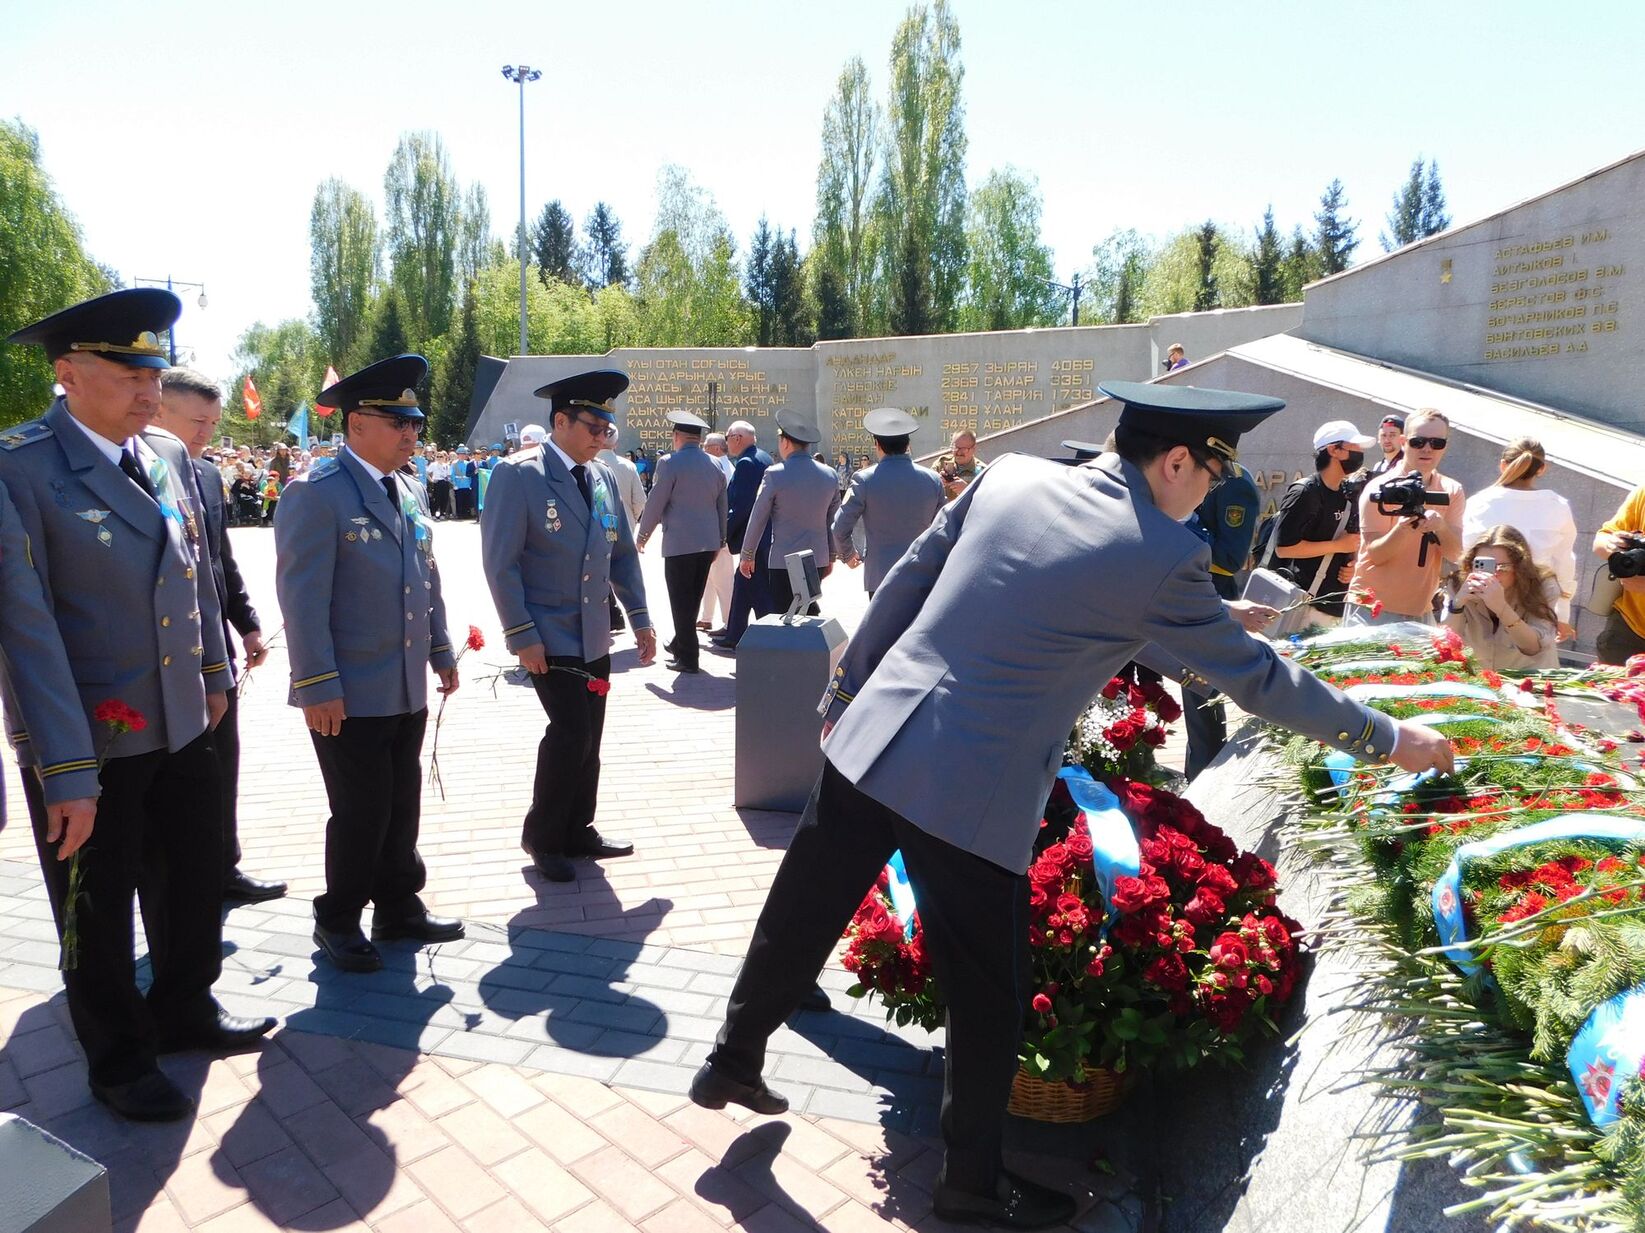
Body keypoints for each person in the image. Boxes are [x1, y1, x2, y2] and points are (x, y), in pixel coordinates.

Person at [691, 379, 1455, 1229]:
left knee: (804, 902)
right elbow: (1260, 679)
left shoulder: (1012, 475)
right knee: (987, 996)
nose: (1207, 490)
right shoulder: (1162, 551)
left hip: (877, 731)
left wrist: (848, 689)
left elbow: (917, 579)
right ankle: (969, 1187)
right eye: (1207, 472)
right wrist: (1390, 737)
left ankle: (730, 1056)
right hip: (969, 787)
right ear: (1173, 461)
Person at [0, 289, 274, 1121]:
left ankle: (186, 1004)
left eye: (155, 371)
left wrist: (215, 676)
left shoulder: (160, 454)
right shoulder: (22, 466)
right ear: (67, 373)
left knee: (191, 877)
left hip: (183, 718)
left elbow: (188, 580)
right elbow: (26, 629)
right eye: (129, 373)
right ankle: (117, 1056)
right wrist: (66, 769)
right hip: (90, 738)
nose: (150, 391)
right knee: (95, 900)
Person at [275, 354, 464, 974]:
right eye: (397, 423)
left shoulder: (405, 488)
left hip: (404, 681)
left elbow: (425, 577)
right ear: (356, 424)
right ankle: (337, 917)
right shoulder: (317, 494)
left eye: (414, 422)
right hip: (348, 690)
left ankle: (397, 905)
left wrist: (440, 649)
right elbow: (302, 600)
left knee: (400, 798)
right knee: (361, 810)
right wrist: (316, 684)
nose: (412, 433)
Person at [482, 370, 656, 883]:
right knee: (570, 731)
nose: (602, 437)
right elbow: (501, 564)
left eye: (607, 427)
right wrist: (521, 634)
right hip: (548, 634)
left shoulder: (602, 476)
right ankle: (544, 835)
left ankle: (579, 827)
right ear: (560, 421)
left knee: (591, 734)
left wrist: (641, 618)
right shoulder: (520, 476)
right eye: (593, 426)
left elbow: (621, 553)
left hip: (594, 633)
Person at [154, 368, 286, 904]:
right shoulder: (136, 469)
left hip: (212, 652)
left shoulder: (207, 476)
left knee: (220, 762)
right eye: (196, 421)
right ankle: (177, 878)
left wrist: (248, 624)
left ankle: (223, 867)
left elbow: (218, 560)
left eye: (213, 421)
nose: (206, 432)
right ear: (158, 412)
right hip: (160, 656)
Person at [1345, 408, 1465, 625]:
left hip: (1421, 610)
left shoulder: (1451, 490)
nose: (1427, 449)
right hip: (1371, 608)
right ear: (1403, 442)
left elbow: (1455, 552)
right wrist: (1404, 528)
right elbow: (1377, 555)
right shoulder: (1381, 488)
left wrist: (1440, 527)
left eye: (1437, 443)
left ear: (1444, 447)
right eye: (1418, 441)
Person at [1182, 456, 1261, 779]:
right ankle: (1196, 772)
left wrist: (1182, 526)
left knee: (1202, 696)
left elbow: (1229, 558)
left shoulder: (1234, 483)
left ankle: (1204, 777)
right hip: (1184, 588)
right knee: (1192, 695)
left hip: (1210, 590)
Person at [635, 410, 727, 674]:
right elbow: (722, 505)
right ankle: (679, 643)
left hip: (680, 544)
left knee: (680, 600)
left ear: (676, 436)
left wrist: (643, 536)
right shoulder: (716, 464)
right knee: (693, 597)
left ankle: (688, 657)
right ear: (697, 439)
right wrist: (720, 540)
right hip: (708, 543)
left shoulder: (669, 463)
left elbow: (656, 501)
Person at [1462, 437, 1577, 640]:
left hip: (1484, 596)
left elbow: (1467, 555)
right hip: (1536, 600)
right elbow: (1564, 562)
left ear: (1503, 465)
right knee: (1529, 666)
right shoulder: (1557, 505)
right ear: (1541, 469)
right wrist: (1563, 613)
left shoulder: (1479, 502)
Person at [1267, 421, 1375, 622]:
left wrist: (1351, 566)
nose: (1359, 453)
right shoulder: (1305, 492)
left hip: (1335, 607)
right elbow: (1285, 548)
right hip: (1301, 603)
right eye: (1354, 447)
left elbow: (1346, 544)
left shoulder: (1347, 493)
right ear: (1333, 450)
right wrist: (1338, 546)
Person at [831, 407, 944, 598]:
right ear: (907, 444)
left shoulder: (863, 479)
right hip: (922, 572)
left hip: (881, 575)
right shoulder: (933, 479)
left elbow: (839, 526)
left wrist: (848, 554)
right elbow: (943, 528)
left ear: (877, 444)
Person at [739, 410, 841, 616]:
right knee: (806, 609)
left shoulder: (775, 474)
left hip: (783, 560)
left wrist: (747, 554)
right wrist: (831, 555)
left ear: (785, 443)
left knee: (784, 615)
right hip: (817, 558)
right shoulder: (830, 474)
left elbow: (758, 517)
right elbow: (833, 521)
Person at [1442, 526, 1560, 670]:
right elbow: (1447, 642)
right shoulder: (1459, 584)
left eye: (1502, 567)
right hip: (1482, 679)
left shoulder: (1543, 585)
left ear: (1519, 567)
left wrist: (1502, 608)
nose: (1493, 574)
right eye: (1482, 566)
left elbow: (1533, 647)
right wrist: (1457, 605)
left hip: (1529, 678)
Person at [713, 421, 774, 650]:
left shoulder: (747, 463)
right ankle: (735, 631)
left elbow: (742, 506)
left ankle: (768, 636)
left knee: (757, 587)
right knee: (742, 583)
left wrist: (725, 534)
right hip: (763, 535)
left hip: (754, 537)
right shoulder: (763, 457)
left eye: (727, 437)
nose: (726, 443)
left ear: (737, 438)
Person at [1592, 485, 1645, 665]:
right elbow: (1601, 540)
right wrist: (1614, 545)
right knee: (1607, 693)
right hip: (1627, 631)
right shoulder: (1643, 493)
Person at [697, 432, 737, 631]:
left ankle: (730, 622)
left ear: (716, 448)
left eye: (706, 446)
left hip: (718, 533)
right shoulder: (723, 465)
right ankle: (706, 617)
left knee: (723, 580)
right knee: (710, 578)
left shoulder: (720, 466)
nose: (703, 449)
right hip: (716, 532)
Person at [937, 431, 986, 502]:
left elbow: (985, 501)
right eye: (955, 448)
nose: (959, 453)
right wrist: (937, 482)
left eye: (963, 449)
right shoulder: (941, 463)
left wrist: (966, 491)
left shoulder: (982, 471)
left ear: (973, 448)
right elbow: (925, 489)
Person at [1367, 414, 1405, 478]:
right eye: (1383, 435)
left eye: (1392, 435)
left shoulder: (1407, 465)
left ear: (1402, 439)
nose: (1387, 440)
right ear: (1378, 439)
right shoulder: (1378, 466)